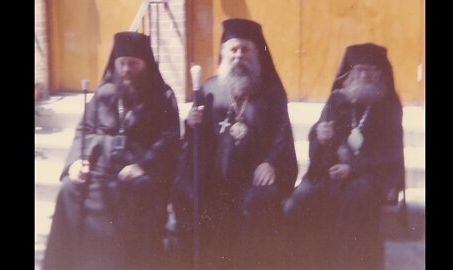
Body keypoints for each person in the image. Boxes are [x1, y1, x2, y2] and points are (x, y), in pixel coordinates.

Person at [43, 31, 180, 270]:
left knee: (137, 192)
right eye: (122, 63)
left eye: (133, 64)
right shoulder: (104, 94)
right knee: (69, 189)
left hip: (140, 173)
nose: (127, 69)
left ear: (146, 65)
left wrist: (144, 166)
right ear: (115, 64)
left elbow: (169, 139)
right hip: (100, 170)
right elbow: (83, 130)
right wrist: (78, 162)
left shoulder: (163, 96)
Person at [171, 18, 298, 269]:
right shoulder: (209, 88)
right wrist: (193, 124)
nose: (239, 55)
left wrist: (272, 163)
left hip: (254, 177)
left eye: (245, 49)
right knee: (187, 193)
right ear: (224, 53)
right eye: (234, 49)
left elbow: (283, 133)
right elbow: (197, 143)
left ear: (256, 53)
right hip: (216, 177)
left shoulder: (271, 90)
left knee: (259, 202)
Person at [282, 43, 405, 270]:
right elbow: (318, 145)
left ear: (380, 72)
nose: (365, 75)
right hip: (333, 173)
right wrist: (320, 136)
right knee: (296, 204)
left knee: (354, 197)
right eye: (359, 69)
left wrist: (354, 169)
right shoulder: (338, 99)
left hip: (372, 177)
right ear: (350, 72)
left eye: (371, 70)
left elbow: (391, 154)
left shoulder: (389, 104)